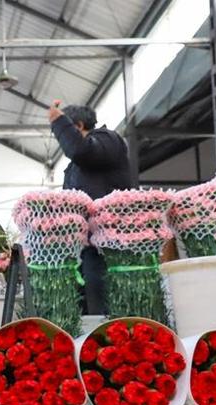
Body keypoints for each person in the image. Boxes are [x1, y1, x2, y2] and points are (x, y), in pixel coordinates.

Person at [48, 101, 132, 315]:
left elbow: (80, 150)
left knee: (103, 310)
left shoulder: (108, 140)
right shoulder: (74, 167)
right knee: (86, 309)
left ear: (77, 125)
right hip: (85, 249)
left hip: (109, 248)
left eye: (68, 129)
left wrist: (58, 121)